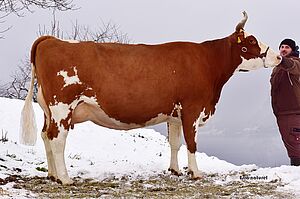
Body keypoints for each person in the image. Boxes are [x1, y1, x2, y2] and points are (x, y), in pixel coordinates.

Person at [270, 38, 300, 166]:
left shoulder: (296, 62)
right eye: (281, 47)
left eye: (287, 47)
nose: (283, 49)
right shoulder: (277, 68)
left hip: (294, 112)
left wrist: (281, 60)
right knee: (291, 144)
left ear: (292, 50)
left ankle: (297, 171)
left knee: (296, 144)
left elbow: (292, 67)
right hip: (282, 113)